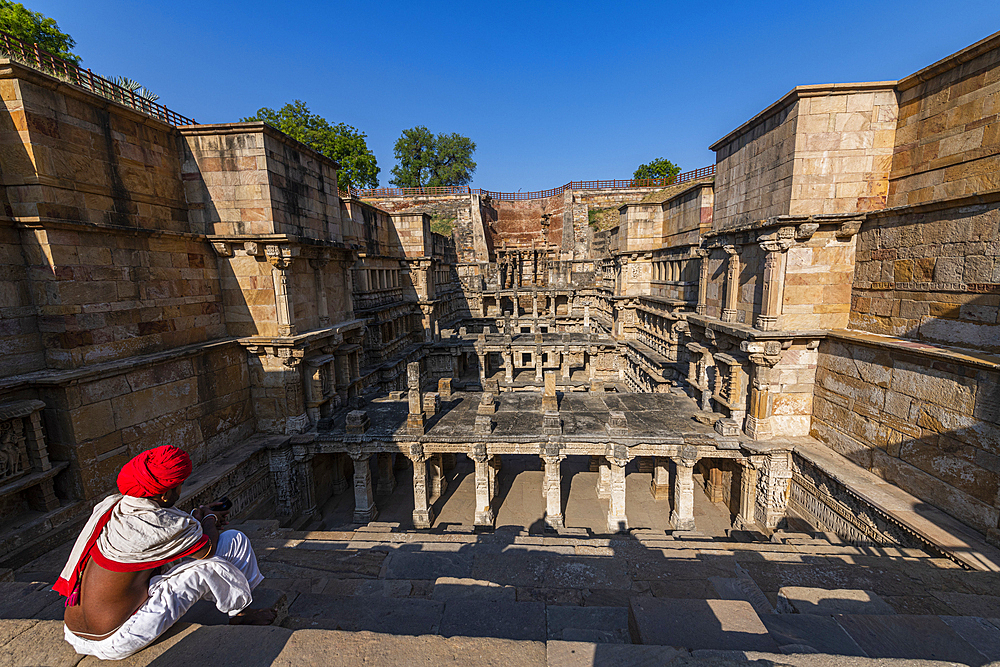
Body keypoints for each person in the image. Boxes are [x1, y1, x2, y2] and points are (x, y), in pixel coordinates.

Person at [55, 445, 275, 660]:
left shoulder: (115, 506)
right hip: (115, 638)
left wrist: (202, 520)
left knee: (233, 541)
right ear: (164, 495)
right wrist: (209, 519)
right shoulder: (159, 523)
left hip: (74, 632)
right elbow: (207, 550)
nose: (180, 490)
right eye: (178, 486)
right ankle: (240, 613)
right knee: (208, 568)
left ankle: (240, 601)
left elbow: (164, 535)